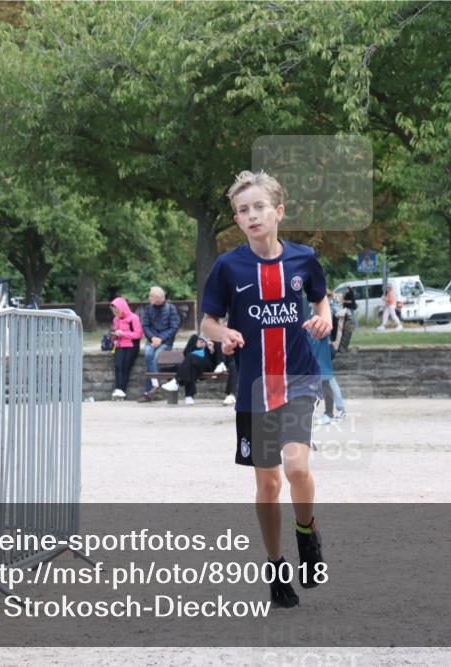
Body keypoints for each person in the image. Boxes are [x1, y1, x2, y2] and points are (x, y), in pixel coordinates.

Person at [200, 169, 331, 609]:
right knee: (269, 483)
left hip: (298, 377)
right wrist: (222, 335)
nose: (252, 215)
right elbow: (207, 322)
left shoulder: (303, 259)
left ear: (278, 211)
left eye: (259, 207)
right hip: (255, 386)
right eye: (243, 210)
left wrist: (323, 318)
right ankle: (275, 565)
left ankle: (307, 532)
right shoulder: (228, 267)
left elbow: (320, 299)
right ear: (237, 220)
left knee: (296, 468)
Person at [139, 286, 180, 399]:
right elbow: (145, 326)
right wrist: (153, 338)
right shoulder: (148, 308)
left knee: (156, 357)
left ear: (158, 298)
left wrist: (160, 338)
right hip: (152, 341)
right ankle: (155, 385)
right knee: (148, 354)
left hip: (166, 342)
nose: (149, 297)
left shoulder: (171, 308)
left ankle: (149, 390)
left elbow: (174, 327)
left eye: (151, 296)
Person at [160, 334, 219, 405]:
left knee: (190, 358)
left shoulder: (214, 338)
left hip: (206, 364)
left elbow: (216, 358)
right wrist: (196, 346)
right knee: (191, 368)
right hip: (192, 364)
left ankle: (176, 381)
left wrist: (211, 349)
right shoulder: (194, 338)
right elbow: (186, 353)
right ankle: (189, 397)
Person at [108, 297, 142, 400]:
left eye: (117, 311)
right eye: (114, 312)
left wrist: (124, 334)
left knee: (126, 367)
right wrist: (114, 336)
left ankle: (121, 391)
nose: (116, 314)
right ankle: (119, 390)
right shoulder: (116, 320)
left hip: (132, 345)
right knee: (118, 366)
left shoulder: (134, 318)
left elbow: (138, 334)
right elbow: (117, 333)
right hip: (119, 345)